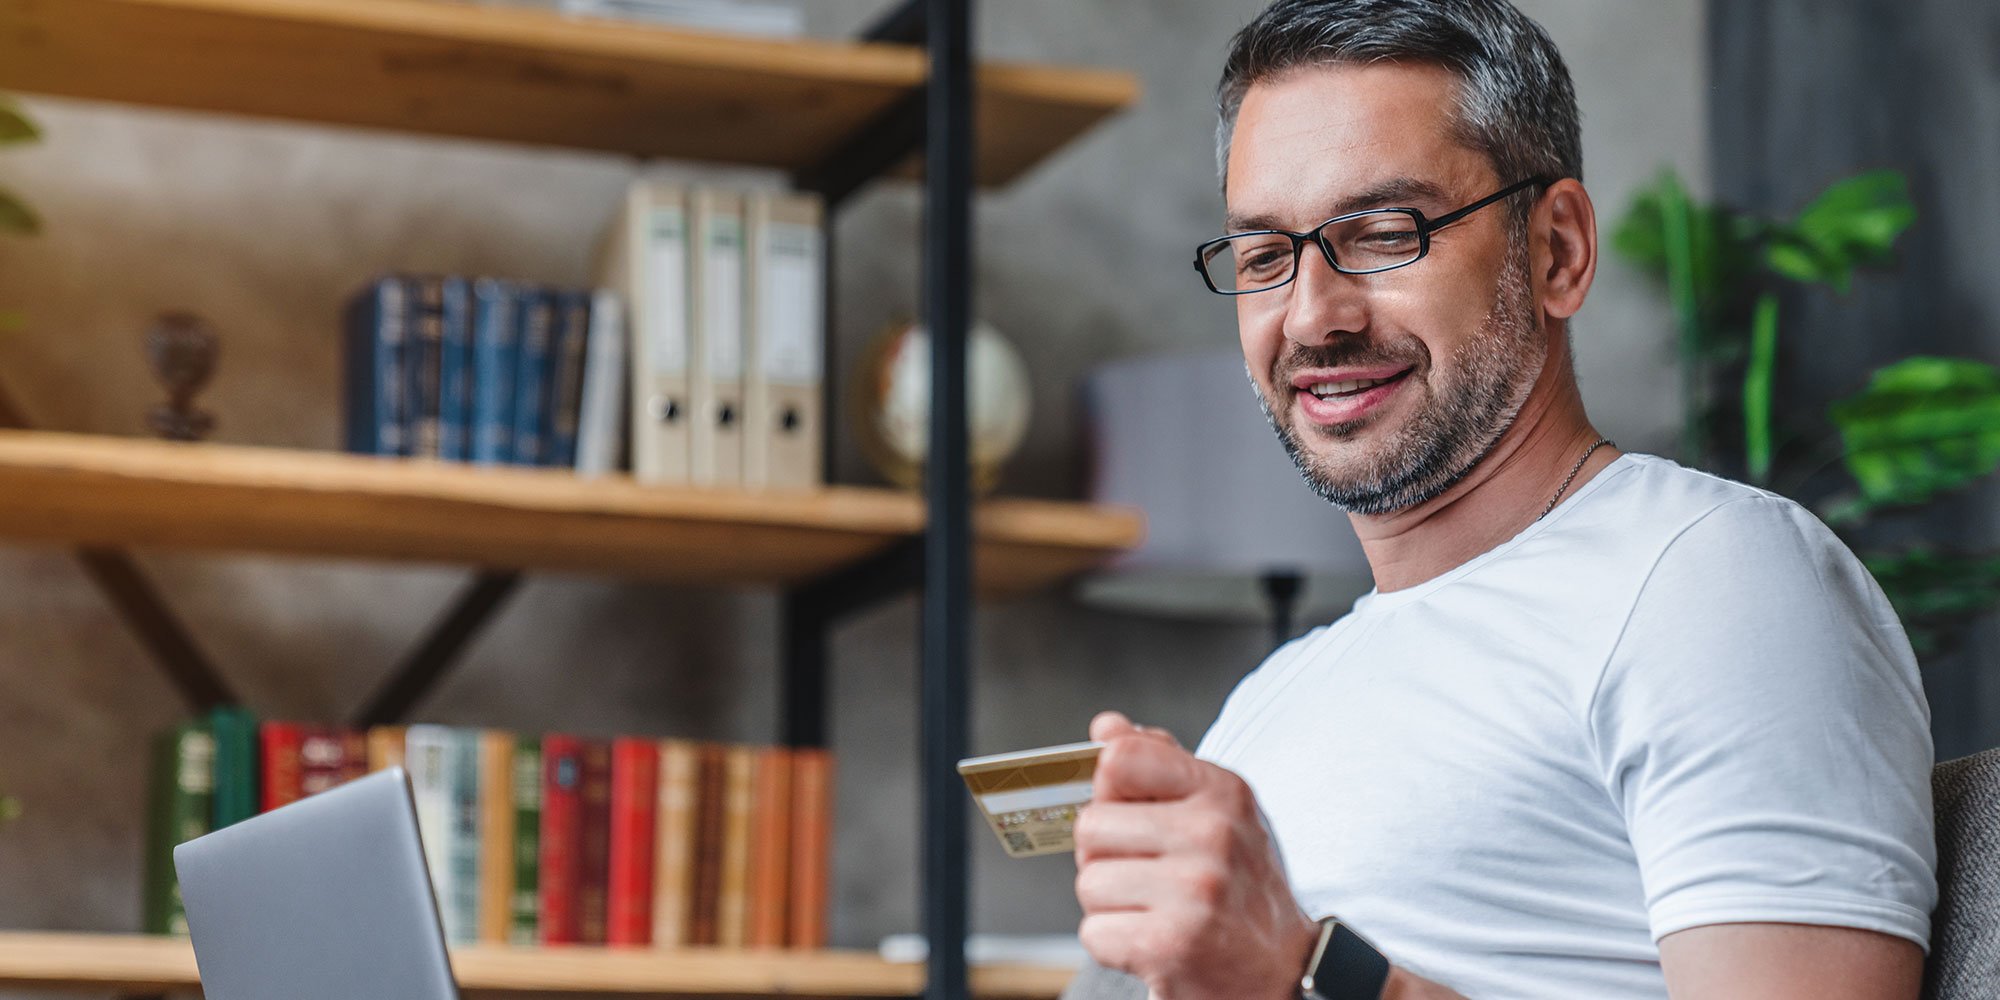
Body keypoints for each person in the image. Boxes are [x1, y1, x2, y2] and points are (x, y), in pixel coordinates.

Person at [1066, 2, 1938, 998]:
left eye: (1386, 233)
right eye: (1265, 256)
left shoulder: (1713, 581)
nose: (1312, 315)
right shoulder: (1271, 699)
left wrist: (1303, 971)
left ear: (1555, 250)